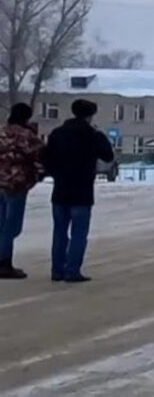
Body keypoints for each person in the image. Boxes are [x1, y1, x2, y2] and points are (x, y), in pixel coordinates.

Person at [44, 99, 114, 283]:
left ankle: (56, 270)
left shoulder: (57, 133)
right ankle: (72, 270)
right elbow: (108, 156)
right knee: (79, 233)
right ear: (90, 116)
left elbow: (46, 158)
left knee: (59, 231)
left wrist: (57, 174)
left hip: (60, 189)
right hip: (82, 190)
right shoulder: (92, 135)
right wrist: (100, 135)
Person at [0, 103, 45, 280]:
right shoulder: (26, 136)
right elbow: (41, 154)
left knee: (2, 224)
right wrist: (39, 175)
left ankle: (5, 262)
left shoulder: (2, 131)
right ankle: (3, 262)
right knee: (12, 226)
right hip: (16, 184)